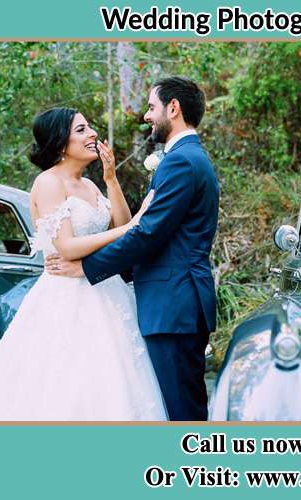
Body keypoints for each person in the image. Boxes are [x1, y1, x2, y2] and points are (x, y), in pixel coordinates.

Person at [0, 107, 166, 421]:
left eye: (89, 127)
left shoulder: (90, 185)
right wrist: (128, 228)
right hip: (67, 296)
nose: (93, 134)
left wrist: (111, 180)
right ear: (60, 143)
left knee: (115, 380)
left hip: (106, 293)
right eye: (81, 130)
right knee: (63, 382)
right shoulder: (48, 183)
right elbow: (67, 247)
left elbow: (123, 226)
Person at [46, 77, 219, 421]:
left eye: (152, 107)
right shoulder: (185, 157)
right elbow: (144, 230)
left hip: (173, 305)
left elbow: (147, 233)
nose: (146, 116)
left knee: (181, 412)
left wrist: (86, 268)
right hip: (172, 303)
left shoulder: (181, 162)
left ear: (174, 108)